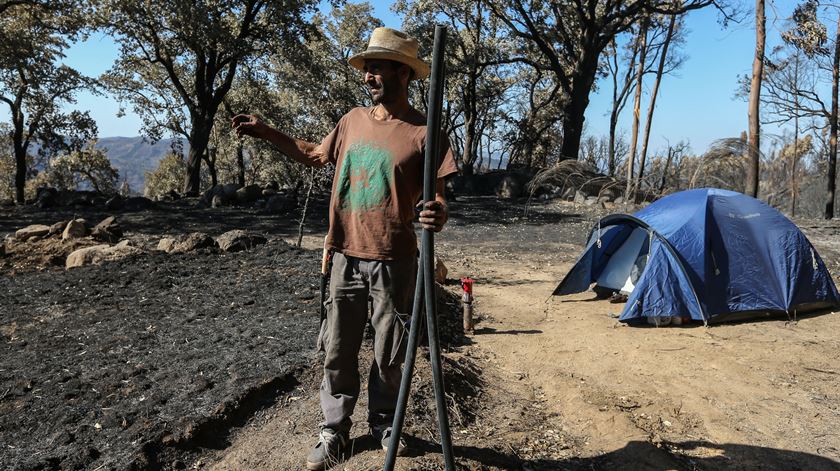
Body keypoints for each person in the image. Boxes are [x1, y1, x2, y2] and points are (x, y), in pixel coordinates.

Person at [232, 27, 457, 470]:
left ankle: (384, 423)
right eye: (368, 67)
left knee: (390, 350)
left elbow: (440, 197)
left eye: (378, 67)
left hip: (395, 259)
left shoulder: (425, 132)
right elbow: (314, 154)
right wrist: (266, 132)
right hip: (344, 255)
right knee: (337, 347)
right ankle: (334, 431)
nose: (369, 75)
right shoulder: (351, 121)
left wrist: (438, 213)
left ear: (404, 74)